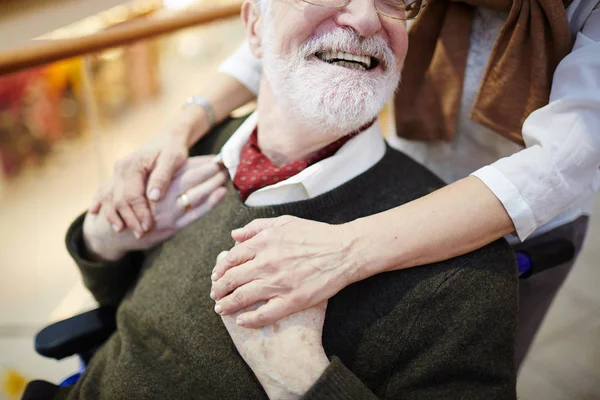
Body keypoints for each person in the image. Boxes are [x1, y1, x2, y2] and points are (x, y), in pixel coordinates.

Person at [24, 0, 519, 398]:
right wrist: (103, 240)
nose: (368, 18)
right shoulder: (199, 149)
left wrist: (303, 379)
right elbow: (121, 301)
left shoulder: (464, 274)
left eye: (395, 1)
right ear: (254, 29)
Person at [89, 0, 600, 365]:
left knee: (472, 341)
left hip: (521, 223)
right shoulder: (213, 156)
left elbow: (560, 162)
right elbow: (285, 28)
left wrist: (345, 249)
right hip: (393, 169)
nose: (361, 16)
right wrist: (178, 129)